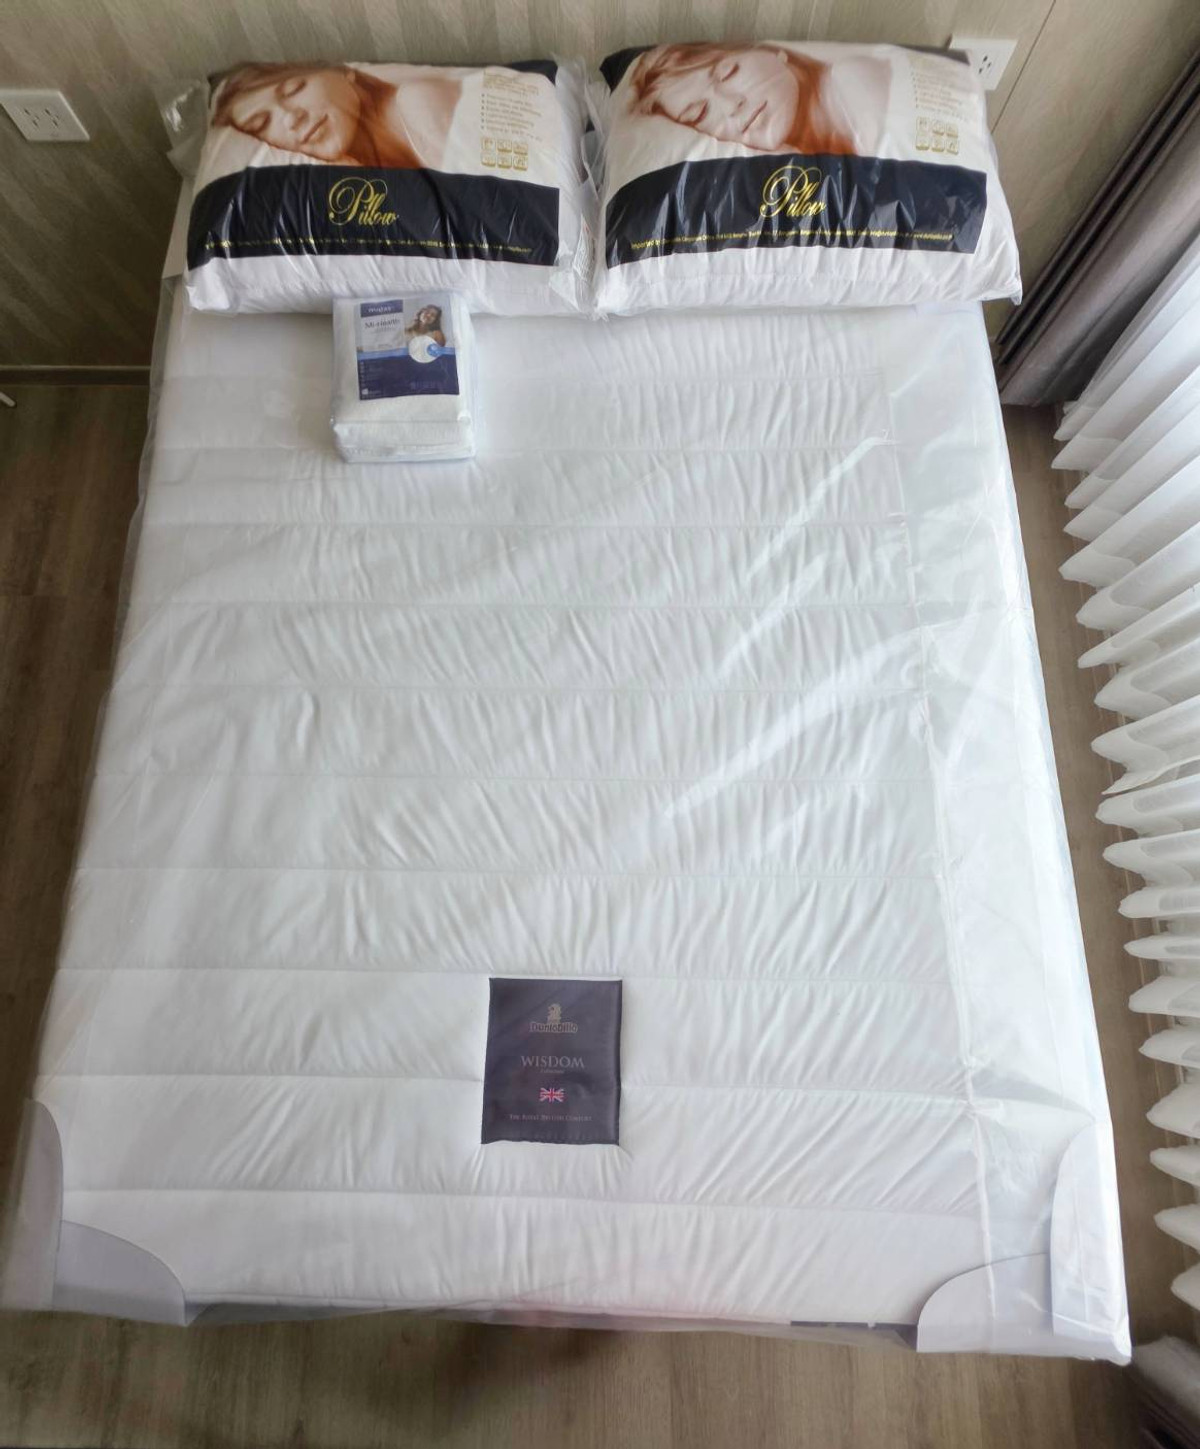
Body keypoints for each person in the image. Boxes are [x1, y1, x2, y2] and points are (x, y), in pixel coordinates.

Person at [627, 43, 887, 157]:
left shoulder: (852, 79)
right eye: (700, 113)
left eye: (729, 72)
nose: (731, 104)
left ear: (773, 52)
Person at [212, 61, 463, 169]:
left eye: (294, 89)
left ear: (345, 73)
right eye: (261, 124)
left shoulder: (416, 102)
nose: (291, 118)